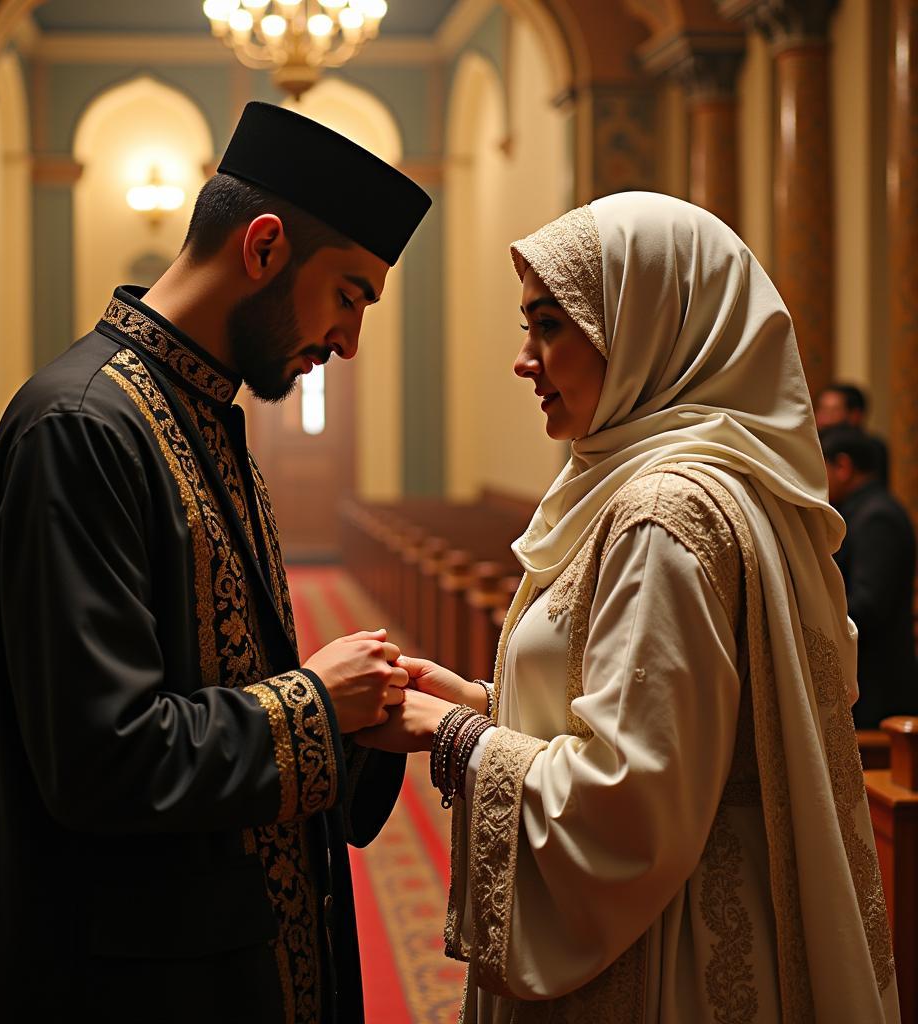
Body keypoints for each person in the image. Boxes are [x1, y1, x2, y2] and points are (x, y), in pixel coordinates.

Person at [0, 102, 431, 1024]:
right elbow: (102, 758)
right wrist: (319, 704)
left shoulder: (199, 413)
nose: (350, 341)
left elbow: (228, 680)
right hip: (126, 979)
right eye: (350, 295)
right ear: (266, 246)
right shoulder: (80, 426)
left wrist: (365, 719)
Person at [360, 193, 900, 1022]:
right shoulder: (682, 484)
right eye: (524, 324)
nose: (523, 358)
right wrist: (480, 703)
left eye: (550, 325)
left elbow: (629, 803)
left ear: (646, 328)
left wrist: (452, 735)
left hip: (662, 964)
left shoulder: (662, 513)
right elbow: (658, 721)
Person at [821, 423, 916, 727]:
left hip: (879, 683)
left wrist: (812, 614)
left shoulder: (877, 516)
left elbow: (869, 604)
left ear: (843, 466)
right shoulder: (860, 509)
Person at [814, 381, 889, 484]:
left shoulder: (873, 449)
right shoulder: (813, 445)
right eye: (822, 409)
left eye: (833, 411)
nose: (823, 419)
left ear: (855, 415)